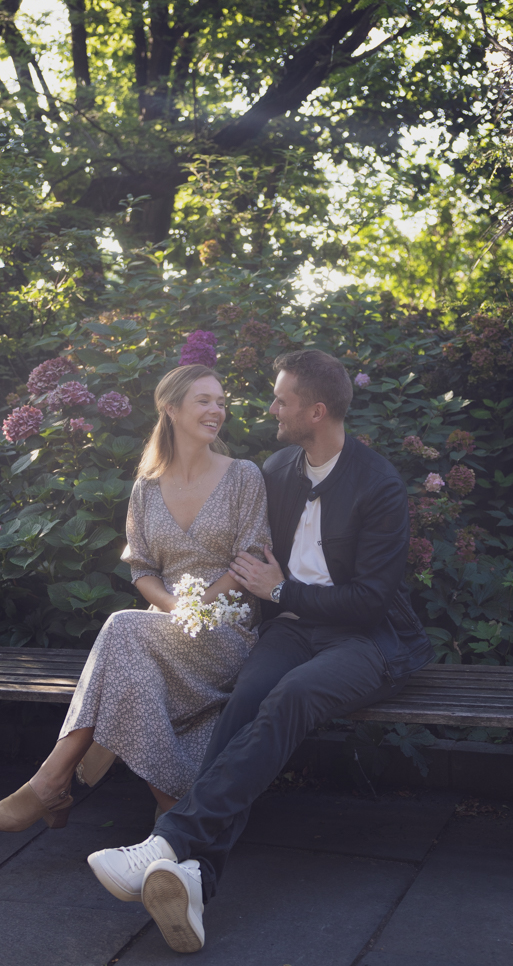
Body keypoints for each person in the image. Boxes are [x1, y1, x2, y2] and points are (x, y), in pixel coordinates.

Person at [88, 349, 435, 953]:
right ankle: (194, 877)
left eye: (282, 400)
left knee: (290, 695)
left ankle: (169, 842)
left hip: (370, 640)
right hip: (294, 630)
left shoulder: (377, 484)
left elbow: (371, 602)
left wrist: (282, 590)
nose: (271, 408)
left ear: (316, 411)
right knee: (248, 695)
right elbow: (238, 540)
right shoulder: (277, 469)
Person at [0, 363, 271, 832]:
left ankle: (52, 781)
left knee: (120, 627)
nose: (217, 410)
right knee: (131, 650)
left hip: (225, 631)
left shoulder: (243, 477)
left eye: (221, 401)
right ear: (171, 409)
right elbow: (142, 569)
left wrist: (196, 609)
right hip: (161, 630)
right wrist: (174, 610)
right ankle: (172, 809)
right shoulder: (146, 488)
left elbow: (251, 558)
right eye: (204, 400)